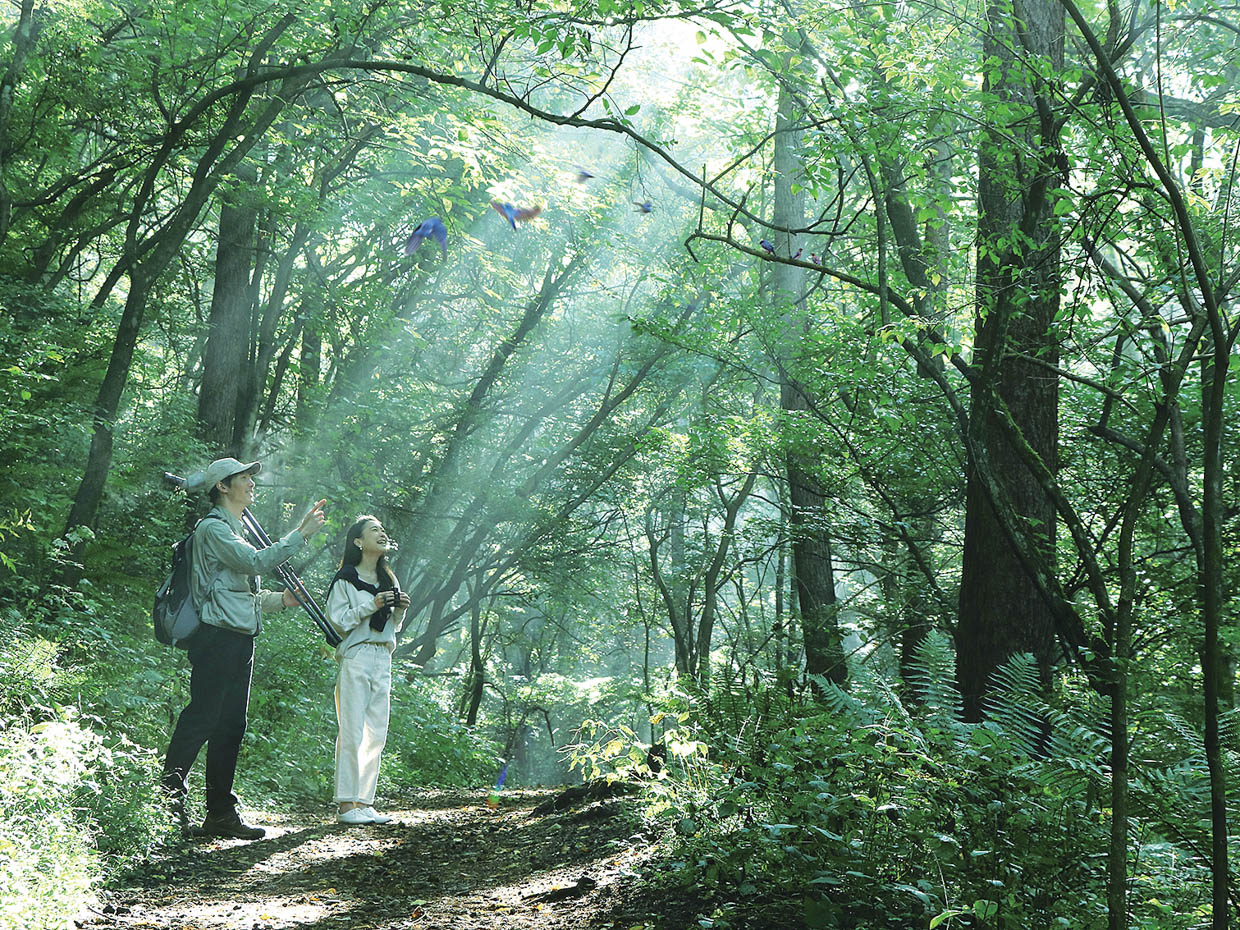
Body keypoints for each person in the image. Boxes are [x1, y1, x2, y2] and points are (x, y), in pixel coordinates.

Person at [161, 457, 327, 840]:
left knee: (231, 725)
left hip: (237, 637)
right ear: (223, 487)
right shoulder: (213, 528)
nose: (252, 483)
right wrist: (301, 534)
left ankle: (220, 814)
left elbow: (238, 593)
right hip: (216, 638)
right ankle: (168, 805)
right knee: (202, 717)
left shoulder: (234, 529)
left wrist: (282, 600)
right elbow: (254, 562)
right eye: (244, 478)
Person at [326, 515, 410, 825]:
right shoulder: (345, 579)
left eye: (383, 529)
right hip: (356, 655)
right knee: (352, 729)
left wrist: (398, 610)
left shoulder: (389, 579)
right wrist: (371, 605)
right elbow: (337, 621)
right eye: (374, 530)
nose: (382, 533)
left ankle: (364, 802)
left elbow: (392, 627)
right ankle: (346, 805)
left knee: (376, 732)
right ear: (358, 541)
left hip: (383, 656)